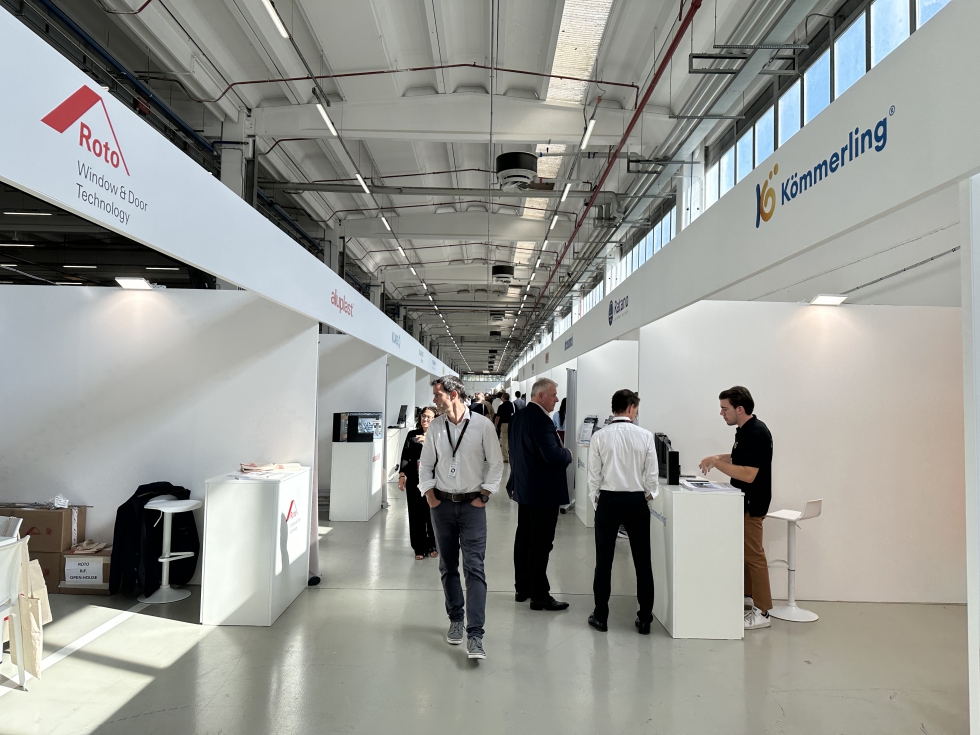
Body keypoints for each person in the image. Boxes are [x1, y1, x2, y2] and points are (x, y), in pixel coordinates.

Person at [418, 375, 503, 661]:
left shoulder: (482, 425)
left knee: (475, 568)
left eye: (438, 394)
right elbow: (425, 465)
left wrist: (485, 495)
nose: (434, 400)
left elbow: (496, 464)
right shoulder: (436, 427)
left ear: (453, 394)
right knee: (447, 566)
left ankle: (475, 634)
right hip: (441, 505)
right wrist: (430, 495)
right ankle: (456, 618)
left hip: (472, 507)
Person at [699, 386, 774, 631]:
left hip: (753, 505)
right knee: (745, 554)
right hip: (744, 503)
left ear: (739, 409)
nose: (721, 413)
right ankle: (749, 598)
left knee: (754, 556)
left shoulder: (756, 432)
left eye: (725, 409)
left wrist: (717, 464)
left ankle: (763, 611)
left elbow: (749, 474)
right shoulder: (745, 431)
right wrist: (716, 458)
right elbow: (739, 457)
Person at [587, 389, 658, 634]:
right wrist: (648, 498)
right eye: (636, 408)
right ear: (630, 407)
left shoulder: (599, 436)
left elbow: (593, 476)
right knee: (643, 561)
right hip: (636, 501)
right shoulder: (645, 436)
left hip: (608, 500)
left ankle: (601, 616)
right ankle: (645, 618)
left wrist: (597, 501)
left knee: (603, 561)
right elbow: (651, 476)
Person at [506, 378, 571, 611]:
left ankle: (522, 588)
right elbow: (552, 456)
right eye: (553, 395)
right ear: (540, 396)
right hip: (543, 493)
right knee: (541, 543)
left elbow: (514, 454)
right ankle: (540, 595)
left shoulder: (518, 418)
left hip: (525, 489)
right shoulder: (541, 421)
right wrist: (568, 453)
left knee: (524, 538)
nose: (556, 399)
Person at [398, 407, 438, 560]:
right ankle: (419, 547)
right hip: (414, 479)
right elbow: (405, 456)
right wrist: (402, 475)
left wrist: (427, 440)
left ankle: (433, 545)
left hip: (433, 480)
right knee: (415, 514)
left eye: (429, 417)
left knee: (431, 513)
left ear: (435, 419)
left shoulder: (438, 435)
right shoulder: (412, 434)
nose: (425, 419)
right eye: (423, 416)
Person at [494, 392, 515, 463]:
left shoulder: (501, 406)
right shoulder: (512, 405)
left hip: (504, 424)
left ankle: (505, 457)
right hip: (512, 424)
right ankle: (512, 456)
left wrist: (495, 425)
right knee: (511, 440)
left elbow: (497, 417)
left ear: (503, 398)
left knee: (504, 441)